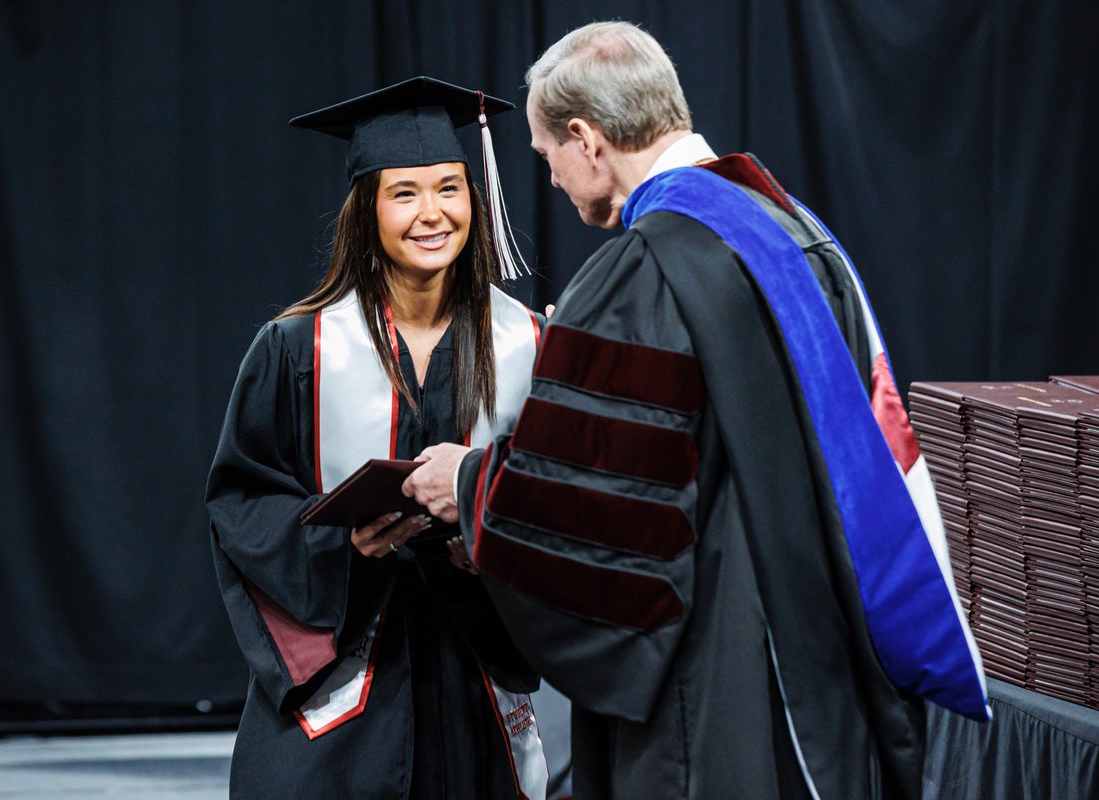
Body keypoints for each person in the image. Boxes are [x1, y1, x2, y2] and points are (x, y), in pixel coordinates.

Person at [404, 22, 992, 800]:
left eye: (548, 157)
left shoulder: (645, 266)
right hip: (823, 644)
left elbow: (603, 508)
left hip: (718, 675)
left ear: (587, 139)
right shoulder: (790, 226)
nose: (549, 180)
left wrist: (472, 479)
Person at [206, 76, 549, 799]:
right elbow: (241, 502)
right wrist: (340, 545)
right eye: (405, 193)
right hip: (347, 678)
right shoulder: (298, 347)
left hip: (474, 667)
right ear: (368, 211)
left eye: (450, 189)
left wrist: (491, 526)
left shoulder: (526, 341)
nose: (433, 213)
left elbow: (557, 495)